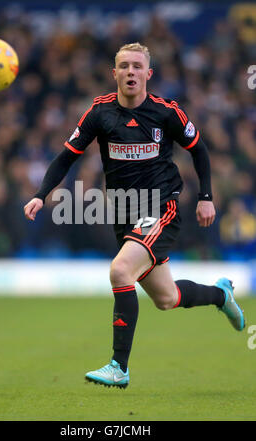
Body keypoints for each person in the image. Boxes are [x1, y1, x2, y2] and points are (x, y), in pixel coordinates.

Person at [24, 43, 245, 389]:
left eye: (137, 66)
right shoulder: (99, 112)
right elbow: (67, 156)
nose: (130, 72)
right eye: (124, 66)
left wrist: (205, 197)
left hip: (161, 208)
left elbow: (199, 150)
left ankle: (119, 367)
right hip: (125, 214)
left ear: (148, 74)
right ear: (114, 74)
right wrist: (41, 195)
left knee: (120, 269)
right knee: (167, 298)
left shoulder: (166, 112)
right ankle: (221, 295)